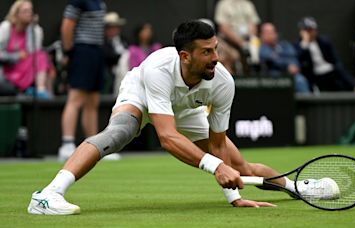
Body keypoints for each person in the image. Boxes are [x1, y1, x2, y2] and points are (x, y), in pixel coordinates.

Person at [27, 20, 338, 215]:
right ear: (185, 55)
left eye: (216, 49)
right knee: (119, 131)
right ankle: (48, 195)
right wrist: (216, 168)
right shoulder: (158, 68)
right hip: (144, 93)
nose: (216, 57)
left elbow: (218, 146)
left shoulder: (223, 82)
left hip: (186, 105)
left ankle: (298, 187)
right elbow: (167, 137)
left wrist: (233, 196)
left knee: (240, 165)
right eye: (207, 52)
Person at [58, 0, 119, 161]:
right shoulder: (79, 1)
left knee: (92, 102)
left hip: (96, 53)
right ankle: (67, 143)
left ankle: (94, 146)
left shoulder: (100, 3)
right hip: (81, 51)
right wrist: (69, 52)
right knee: (75, 99)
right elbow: (67, 26)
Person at [295, 17, 355, 94]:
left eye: (312, 30)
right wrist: (305, 44)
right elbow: (300, 63)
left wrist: (354, 85)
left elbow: (336, 62)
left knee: (341, 77)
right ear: (301, 32)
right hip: (314, 76)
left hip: (330, 72)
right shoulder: (298, 46)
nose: (310, 33)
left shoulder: (324, 42)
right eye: (307, 30)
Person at [0, 0, 52, 98]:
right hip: (8, 70)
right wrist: (16, 56)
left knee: (42, 56)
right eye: (25, 11)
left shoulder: (35, 30)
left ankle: (41, 90)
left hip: (27, 69)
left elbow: (34, 54)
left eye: (30, 11)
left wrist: (33, 28)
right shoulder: (5, 28)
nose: (29, 14)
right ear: (17, 13)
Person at [259, 23, 310, 93]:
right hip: (274, 76)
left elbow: (294, 57)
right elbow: (274, 60)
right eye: (268, 33)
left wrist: (294, 65)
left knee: (300, 79)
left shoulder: (285, 45)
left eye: (273, 32)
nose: (271, 35)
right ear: (262, 36)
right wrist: (288, 65)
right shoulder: (263, 48)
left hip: (292, 75)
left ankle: (306, 103)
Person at [214, 0, 261, 75]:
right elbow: (223, 28)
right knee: (226, 57)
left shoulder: (248, 4)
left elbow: (253, 24)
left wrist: (250, 39)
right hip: (228, 42)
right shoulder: (223, 4)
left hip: (248, 41)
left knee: (256, 44)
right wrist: (241, 43)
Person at [103, 12, 128, 94]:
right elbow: (108, 57)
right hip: (110, 75)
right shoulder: (103, 43)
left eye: (116, 27)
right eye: (111, 27)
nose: (114, 30)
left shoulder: (124, 40)